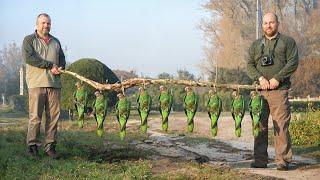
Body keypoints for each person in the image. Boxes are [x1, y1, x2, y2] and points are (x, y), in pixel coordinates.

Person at [247, 12, 299, 170]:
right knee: (260, 126)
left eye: (271, 22)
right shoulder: (256, 45)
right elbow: (249, 65)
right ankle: (260, 160)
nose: (268, 26)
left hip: (279, 90)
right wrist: (260, 79)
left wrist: (278, 78)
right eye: (265, 23)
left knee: (281, 126)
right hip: (259, 93)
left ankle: (282, 161)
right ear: (262, 25)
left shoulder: (287, 42)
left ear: (277, 23)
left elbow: (293, 62)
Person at [22, 13, 66, 160]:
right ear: (37, 24)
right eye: (43, 23)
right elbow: (30, 58)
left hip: (54, 84)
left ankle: (50, 147)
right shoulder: (29, 40)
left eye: (48, 23)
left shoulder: (56, 41)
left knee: (53, 117)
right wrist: (50, 65)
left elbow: (62, 59)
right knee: (35, 117)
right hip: (36, 84)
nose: (45, 25)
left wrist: (60, 67)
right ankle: (33, 147)